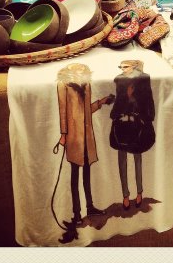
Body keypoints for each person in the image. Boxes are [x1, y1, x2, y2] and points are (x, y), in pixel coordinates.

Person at [57, 63, 109, 229]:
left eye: (83, 71)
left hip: (87, 137)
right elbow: (62, 112)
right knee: (74, 177)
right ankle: (77, 214)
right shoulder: (63, 85)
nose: (81, 73)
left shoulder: (86, 85)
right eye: (78, 71)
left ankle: (90, 207)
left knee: (87, 174)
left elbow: (87, 111)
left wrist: (101, 102)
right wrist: (63, 135)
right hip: (74, 138)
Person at [109, 60, 155, 210]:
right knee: (122, 160)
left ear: (134, 67)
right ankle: (125, 195)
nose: (123, 69)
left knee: (137, 158)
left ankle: (139, 192)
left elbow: (148, 102)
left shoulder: (143, 79)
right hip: (122, 124)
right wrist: (119, 110)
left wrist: (135, 104)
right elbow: (118, 103)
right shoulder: (120, 80)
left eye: (126, 67)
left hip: (137, 124)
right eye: (121, 67)